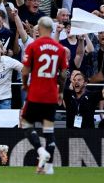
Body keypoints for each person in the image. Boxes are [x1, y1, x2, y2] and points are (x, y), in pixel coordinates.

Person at [21, 16, 68, 175]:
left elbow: (25, 70)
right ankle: (49, 167)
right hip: (51, 96)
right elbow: (63, 74)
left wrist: (25, 84)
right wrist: (60, 91)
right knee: (49, 130)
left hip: (36, 94)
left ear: (40, 28)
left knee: (26, 124)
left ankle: (40, 151)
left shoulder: (33, 46)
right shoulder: (60, 49)